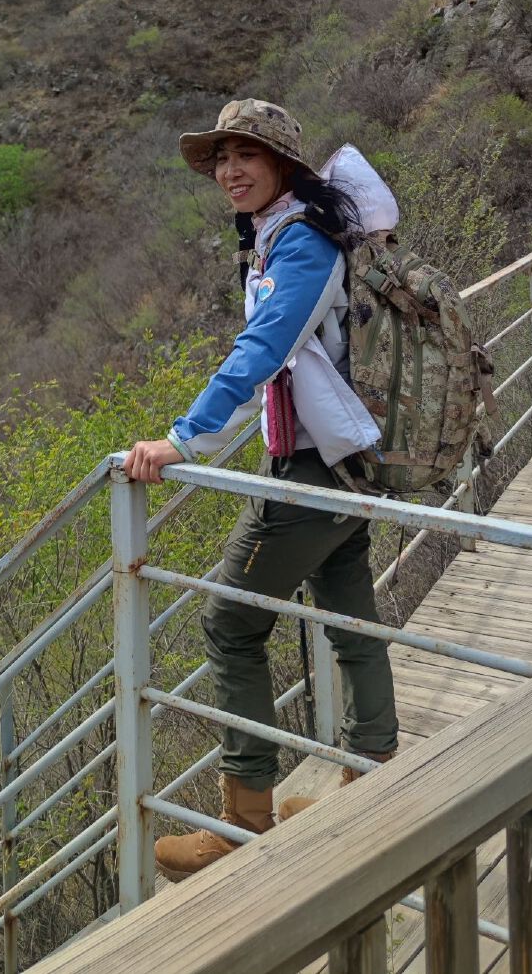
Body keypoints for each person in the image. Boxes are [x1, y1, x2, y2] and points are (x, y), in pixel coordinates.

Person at [124, 98, 400, 882]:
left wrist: (183, 440)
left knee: (230, 624)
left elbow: (262, 351)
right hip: (343, 459)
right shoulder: (285, 236)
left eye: (245, 154)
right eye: (220, 158)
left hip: (318, 470)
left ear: (283, 165)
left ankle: (241, 823)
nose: (229, 170)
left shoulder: (304, 244)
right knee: (349, 616)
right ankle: (371, 780)